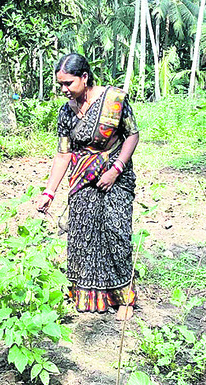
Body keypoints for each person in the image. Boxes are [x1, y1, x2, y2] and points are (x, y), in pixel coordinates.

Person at [37, 53, 140, 321]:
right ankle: (87, 295)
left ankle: (123, 299)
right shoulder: (65, 113)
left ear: (85, 77)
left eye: (68, 83)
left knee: (117, 232)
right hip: (82, 178)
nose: (64, 90)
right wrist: (50, 191)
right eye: (60, 84)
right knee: (84, 237)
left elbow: (132, 135)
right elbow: (63, 154)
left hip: (115, 176)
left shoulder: (114, 100)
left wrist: (116, 169)